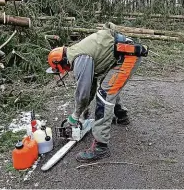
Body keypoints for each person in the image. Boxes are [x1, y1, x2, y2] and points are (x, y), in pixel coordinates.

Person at [46, 24, 148, 162]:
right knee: (107, 87)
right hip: (122, 56)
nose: (64, 72)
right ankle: (121, 116)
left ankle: (101, 147)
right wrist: (83, 110)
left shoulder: (79, 58)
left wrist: (76, 115)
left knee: (105, 95)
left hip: (128, 56)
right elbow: (90, 86)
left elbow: (83, 92)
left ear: (61, 62)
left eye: (61, 69)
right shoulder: (77, 52)